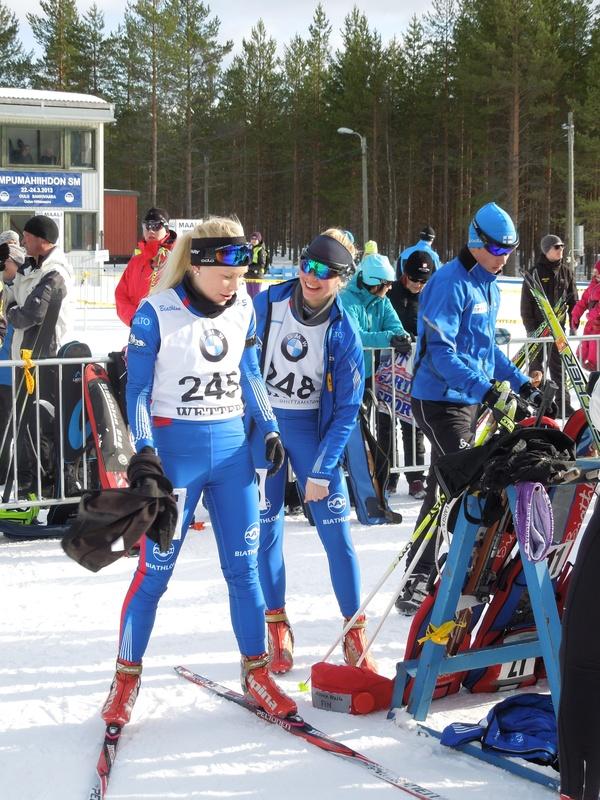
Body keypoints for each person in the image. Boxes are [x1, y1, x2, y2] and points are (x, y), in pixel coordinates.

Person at [101, 216, 297, 726]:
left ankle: (257, 673)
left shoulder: (244, 308)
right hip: (176, 458)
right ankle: (125, 679)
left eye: (241, 276)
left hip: (231, 455)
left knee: (244, 570)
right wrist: (145, 454)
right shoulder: (156, 312)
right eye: (226, 275)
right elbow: (137, 391)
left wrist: (270, 428)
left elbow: (250, 374)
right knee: (154, 575)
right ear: (197, 264)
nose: (236, 285)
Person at [396, 202, 544, 615]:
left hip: (468, 400)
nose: (503, 258)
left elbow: (486, 349)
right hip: (437, 401)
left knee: (445, 484)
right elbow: (441, 354)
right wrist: (486, 389)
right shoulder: (448, 283)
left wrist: (520, 383)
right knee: (466, 481)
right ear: (476, 241)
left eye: (509, 251)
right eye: (497, 250)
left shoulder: (489, 285)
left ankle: (424, 572)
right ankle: (429, 573)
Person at [250, 229, 373, 674]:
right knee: (266, 532)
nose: (311, 277)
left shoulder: (344, 329)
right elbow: (243, 365)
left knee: (337, 537)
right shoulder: (269, 303)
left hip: (311, 432)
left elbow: (348, 409)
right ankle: (277, 626)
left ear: (342, 279)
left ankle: (353, 631)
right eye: (307, 264)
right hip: (264, 427)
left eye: (324, 271)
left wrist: (322, 469)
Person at [0, 216, 72, 498]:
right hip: (27, 356)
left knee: (37, 423)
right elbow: (14, 300)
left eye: (27, 237)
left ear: (42, 240)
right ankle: (30, 483)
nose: (23, 242)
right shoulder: (34, 266)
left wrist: (12, 313)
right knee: (24, 423)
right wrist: (10, 279)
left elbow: (30, 314)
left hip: (44, 357)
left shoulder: (54, 271)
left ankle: (44, 484)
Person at [387, 249, 436, 498]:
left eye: (423, 281)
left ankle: (416, 477)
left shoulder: (430, 295)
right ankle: (387, 474)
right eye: (415, 279)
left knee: (413, 423)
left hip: (416, 368)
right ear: (405, 275)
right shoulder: (391, 293)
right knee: (386, 422)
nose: (418, 285)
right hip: (387, 368)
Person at [521, 234, 578, 417]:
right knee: (536, 371)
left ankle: (563, 405)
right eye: (556, 247)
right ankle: (536, 404)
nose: (561, 249)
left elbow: (573, 300)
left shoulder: (567, 272)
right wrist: (532, 330)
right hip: (538, 331)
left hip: (558, 330)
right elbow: (526, 306)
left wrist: (574, 321)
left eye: (562, 246)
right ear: (546, 250)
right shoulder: (534, 272)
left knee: (559, 368)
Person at [115, 207, 177, 327]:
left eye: (156, 226)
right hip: (140, 328)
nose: (151, 230)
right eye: (147, 226)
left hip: (170, 327)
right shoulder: (136, 261)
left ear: (166, 229)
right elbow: (121, 295)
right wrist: (136, 319)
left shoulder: (177, 257)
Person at [570, 260, 600, 371]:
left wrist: (593, 314)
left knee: (595, 345)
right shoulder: (592, 286)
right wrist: (575, 315)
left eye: (599, 273)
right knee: (586, 343)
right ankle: (582, 359)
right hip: (591, 325)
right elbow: (582, 302)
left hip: (598, 326)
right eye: (595, 272)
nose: (597, 275)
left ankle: (595, 365)